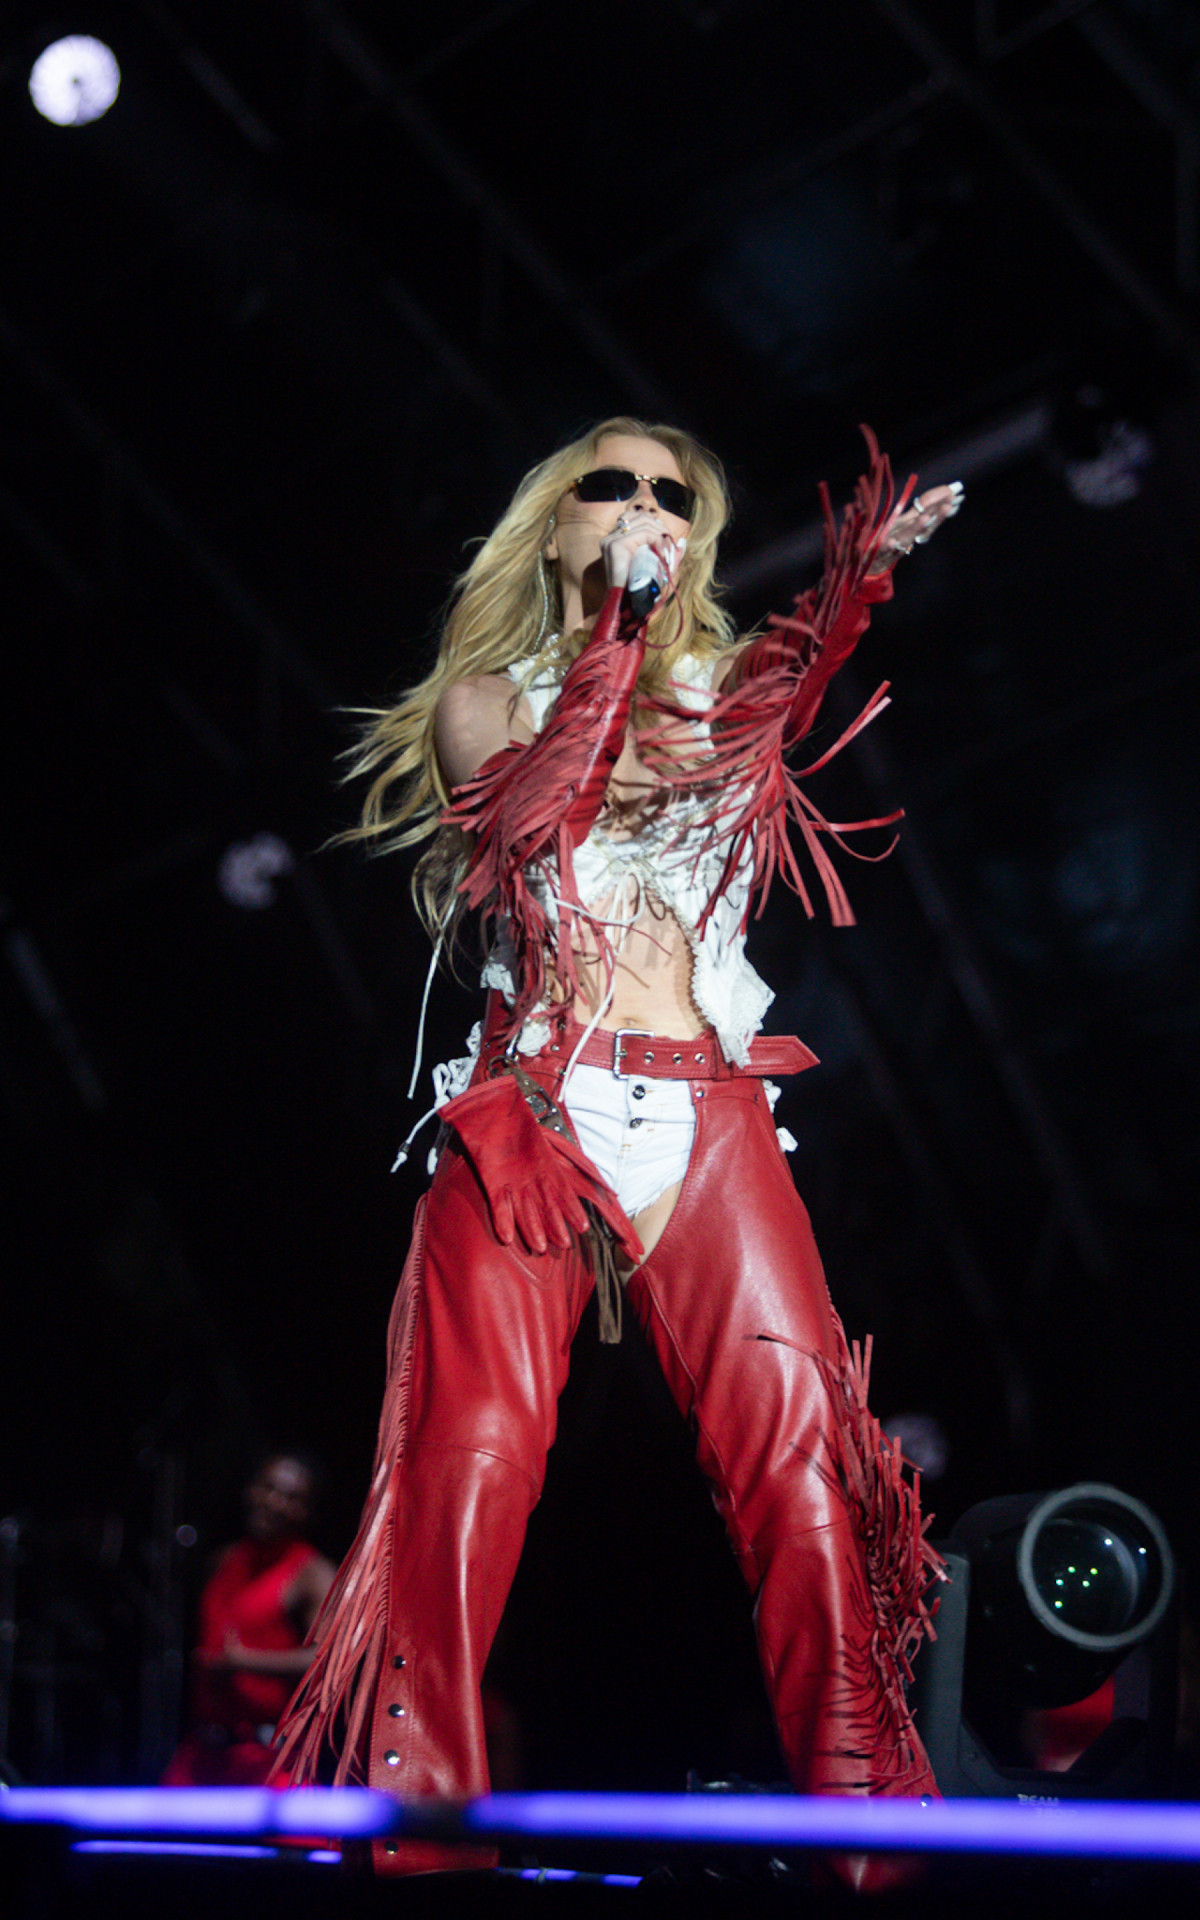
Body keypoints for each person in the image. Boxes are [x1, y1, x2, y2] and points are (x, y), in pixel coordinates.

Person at [272, 418, 961, 1874]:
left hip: (703, 1104)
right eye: (616, 486)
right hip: (534, 1101)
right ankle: (422, 1817)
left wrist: (849, 592)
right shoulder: (484, 697)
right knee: (471, 1459)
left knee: (802, 1461)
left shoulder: (706, 700)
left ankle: (877, 1836)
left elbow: (769, 723)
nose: (649, 507)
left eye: (675, 495)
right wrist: (615, 633)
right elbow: (536, 813)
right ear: (557, 521)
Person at [164, 1451, 334, 1786]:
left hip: (266, 1763)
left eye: (290, 1497)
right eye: (267, 1488)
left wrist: (244, 1662)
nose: (273, 1502)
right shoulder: (223, 1560)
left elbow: (328, 1660)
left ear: (307, 1511)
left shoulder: (311, 1574)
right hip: (203, 1755)